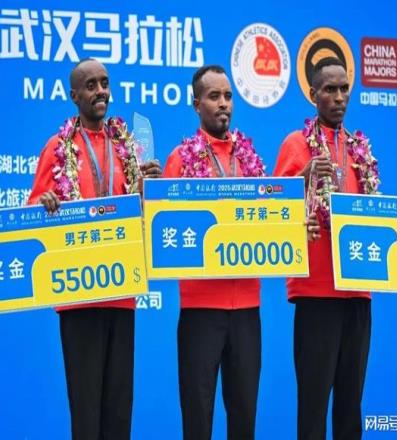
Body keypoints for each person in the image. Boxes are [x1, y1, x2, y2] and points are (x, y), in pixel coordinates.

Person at [28, 58, 161, 440]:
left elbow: (143, 212)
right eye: (91, 85)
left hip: (121, 293)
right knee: (86, 410)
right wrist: (43, 204)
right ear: (74, 96)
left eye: (104, 83)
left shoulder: (128, 148)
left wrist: (150, 188)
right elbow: (33, 210)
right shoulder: (58, 148)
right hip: (78, 295)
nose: (100, 91)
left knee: (119, 409)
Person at [273, 57, 381, 440]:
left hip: (357, 291)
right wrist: (303, 178)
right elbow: (275, 208)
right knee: (314, 405)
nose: (338, 97)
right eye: (330, 89)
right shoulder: (296, 144)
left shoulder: (360, 150)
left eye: (344, 89)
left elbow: (374, 213)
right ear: (313, 94)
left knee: (351, 405)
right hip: (316, 292)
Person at [162, 65, 266, 440]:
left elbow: (272, 219)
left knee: (244, 417)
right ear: (196, 105)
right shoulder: (180, 159)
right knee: (198, 417)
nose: (223, 104)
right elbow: (163, 228)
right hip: (201, 308)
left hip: (247, 309)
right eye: (214, 96)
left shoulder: (250, 159)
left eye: (228, 96)